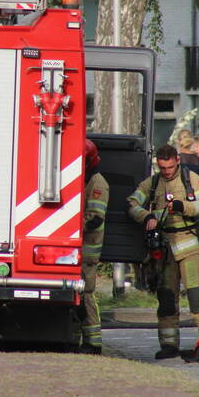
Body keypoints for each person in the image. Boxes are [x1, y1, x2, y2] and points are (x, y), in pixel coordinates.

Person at [128, 144, 199, 359]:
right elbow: (132, 203)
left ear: (177, 160)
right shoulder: (153, 183)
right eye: (162, 168)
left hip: (189, 245)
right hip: (164, 249)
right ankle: (169, 345)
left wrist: (184, 207)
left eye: (170, 167)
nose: (167, 172)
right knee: (166, 297)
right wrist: (147, 216)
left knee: (197, 294)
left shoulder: (191, 178)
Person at [79, 140, 108, 355]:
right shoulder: (84, 179)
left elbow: (96, 218)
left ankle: (93, 342)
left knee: (86, 293)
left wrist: (72, 229)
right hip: (79, 248)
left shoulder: (98, 184)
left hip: (88, 248)